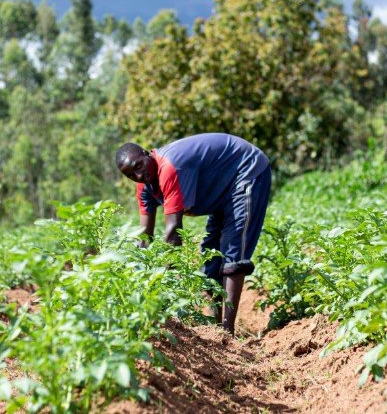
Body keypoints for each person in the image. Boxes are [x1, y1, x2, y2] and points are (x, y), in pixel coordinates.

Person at [115, 133, 271, 336]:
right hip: (222, 190)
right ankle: (216, 329)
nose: (138, 175)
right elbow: (144, 238)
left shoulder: (168, 169)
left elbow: (173, 233)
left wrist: (165, 281)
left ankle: (227, 332)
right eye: (130, 175)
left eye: (138, 166)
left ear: (147, 154)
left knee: (233, 253)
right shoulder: (144, 187)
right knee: (211, 258)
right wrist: (138, 275)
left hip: (245, 170)